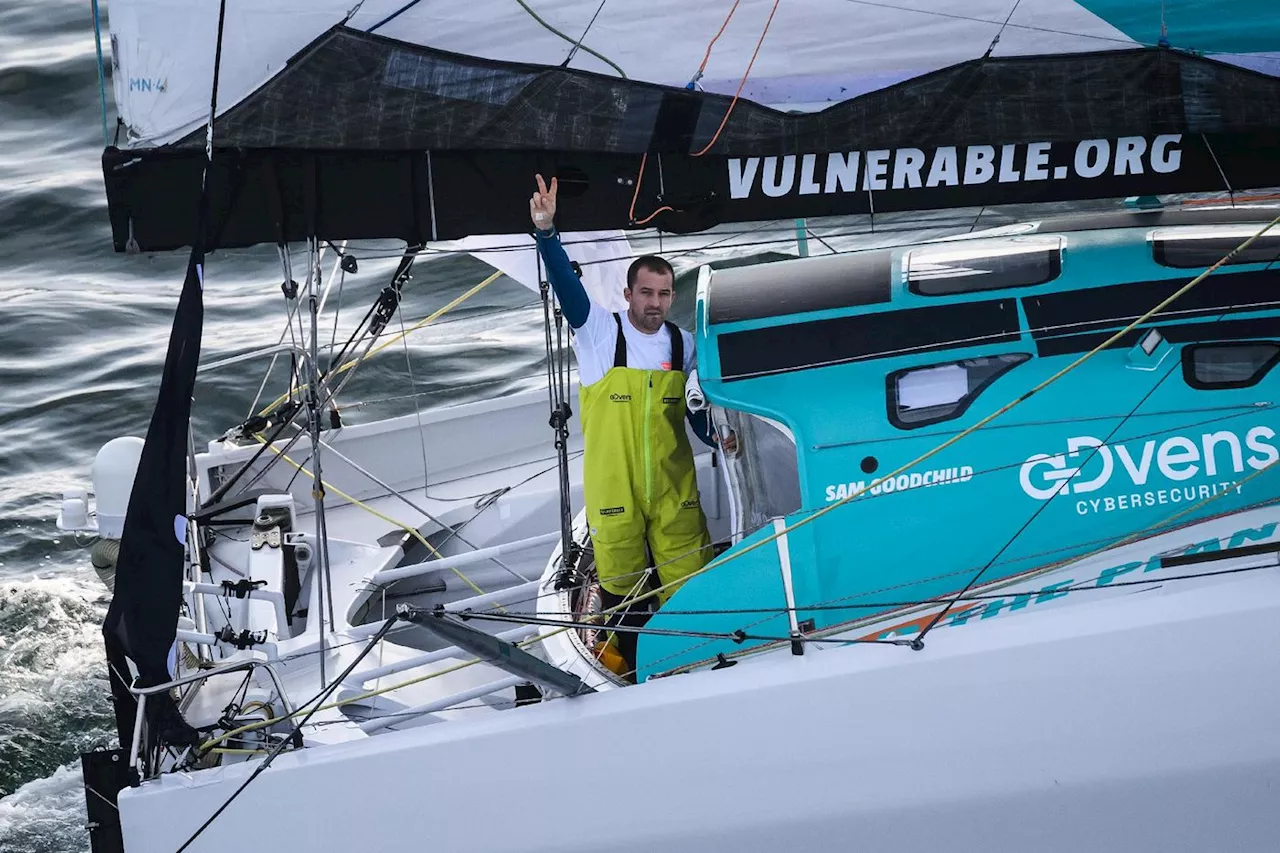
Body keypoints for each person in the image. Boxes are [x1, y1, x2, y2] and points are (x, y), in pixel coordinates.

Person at [530, 174, 714, 674]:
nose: (655, 303)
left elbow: (699, 410)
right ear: (628, 294)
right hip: (615, 497)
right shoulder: (597, 334)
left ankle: (695, 666)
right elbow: (568, 291)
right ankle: (634, 672)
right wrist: (546, 233)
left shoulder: (683, 345)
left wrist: (719, 436)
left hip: (675, 494)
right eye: (646, 293)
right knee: (624, 596)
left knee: (691, 592)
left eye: (664, 294)